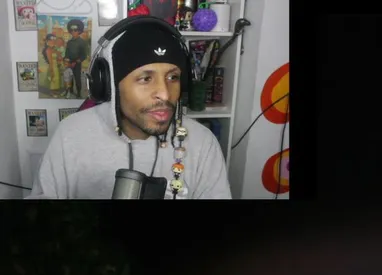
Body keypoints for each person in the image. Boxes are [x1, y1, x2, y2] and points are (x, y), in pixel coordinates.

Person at [28, 19, 231, 199]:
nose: (165, 94)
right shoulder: (70, 134)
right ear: (110, 85)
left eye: (173, 77)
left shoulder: (202, 142)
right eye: (145, 79)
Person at [64, 19, 90, 98]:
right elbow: (67, 53)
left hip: (77, 63)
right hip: (69, 63)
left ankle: (78, 93)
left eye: (75, 30)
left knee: (77, 78)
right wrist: (66, 60)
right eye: (71, 30)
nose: (73, 31)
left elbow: (84, 55)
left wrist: (76, 62)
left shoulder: (82, 42)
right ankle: (70, 90)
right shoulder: (69, 42)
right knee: (69, 78)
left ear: (79, 31)